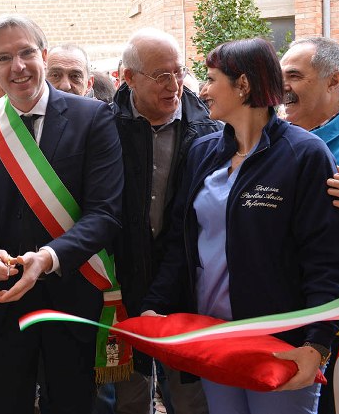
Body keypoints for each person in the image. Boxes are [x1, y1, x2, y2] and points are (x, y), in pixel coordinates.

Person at [142, 37, 339, 414]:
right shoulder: (202, 152)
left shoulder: (304, 154)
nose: (202, 91)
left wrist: (317, 344)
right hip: (214, 337)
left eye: (211, 79)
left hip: (280, 344)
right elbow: (180, 242)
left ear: (243, 85)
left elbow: (326, 261)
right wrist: (156, 305)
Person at [0, 14, 123, 414]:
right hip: (5, 293)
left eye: (26, 53)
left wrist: (48, 258)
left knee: (71, 404)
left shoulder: (93, 117)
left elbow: (104, 213)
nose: (18, 66)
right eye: (4, 58)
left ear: (44, 55)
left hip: (72, 290)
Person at [112, 28, 216, 414]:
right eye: (161, 75)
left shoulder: (210, 129)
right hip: (122, 282)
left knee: (191, 397)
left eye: (179, 71)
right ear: (129, 77)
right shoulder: (105, 128)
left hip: (187, 284)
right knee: (130, 395)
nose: (174, 85)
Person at [280, 36, 339, 414]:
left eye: (294, 76)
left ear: (334, 80)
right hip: (289, 318)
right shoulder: (272, 139)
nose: (282, 87)